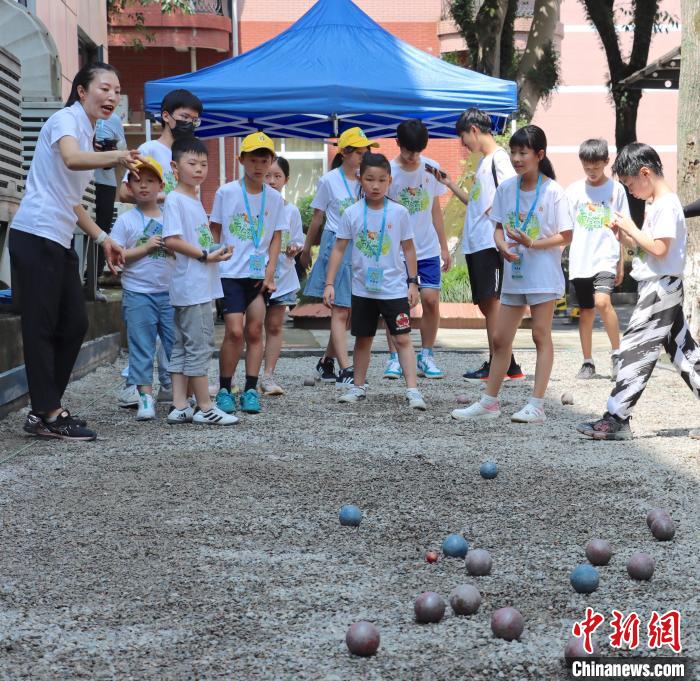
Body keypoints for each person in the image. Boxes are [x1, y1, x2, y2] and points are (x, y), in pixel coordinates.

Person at [9, 62, 138, 441]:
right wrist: (117, 157)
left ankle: (44, 409)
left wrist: (104, 239)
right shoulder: (66, 120)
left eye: (117, 90)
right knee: (41, 326)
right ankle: (48, 411)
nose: (112, 96)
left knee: (76, 323)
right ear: (82, 91)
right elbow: (71, 159)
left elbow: (73, 202)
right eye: (104, 88)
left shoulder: (87, 131)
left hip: (58, 237)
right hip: (35, 234)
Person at [577, 143, 700, 440]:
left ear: (645, 173)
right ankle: (617, 417)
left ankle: (617, 417)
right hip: (661, 283)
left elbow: (660, 248)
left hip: (660, 286)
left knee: (634, 348)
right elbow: (648, 250)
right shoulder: (658, 203)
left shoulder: (666, 204)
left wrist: (631, 228)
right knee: (684, 351)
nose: (630, 191)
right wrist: (626, 233)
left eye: (631, 184)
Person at [451, 125, 573, 424]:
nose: (517, 158)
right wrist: (502, 245)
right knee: (500, 337)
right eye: (514, 152)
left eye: (523, 153)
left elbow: (566, 235)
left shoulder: (553, 191)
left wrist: (534, 243)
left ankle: (537, 405)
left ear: (539, 155)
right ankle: (489, 402)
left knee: (540, 335)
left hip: (543, 274)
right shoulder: (507, 188)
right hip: (515, 273)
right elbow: (496, 226)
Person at [116, 88, 203, 408]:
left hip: (177, 247)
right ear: (166, 117)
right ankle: (134, 384)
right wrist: (164, 197)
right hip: (147, 240)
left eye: (195, 120)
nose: (189, 124)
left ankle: (172, 385)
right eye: (184, 118)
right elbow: (125, 193)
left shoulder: (190, 153)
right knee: (143, 323)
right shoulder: (151, 148)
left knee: (174, 323)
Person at [323, 152, 427, 410]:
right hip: (363, 290)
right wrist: (329, 283)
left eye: (382, 180)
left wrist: (413, 282)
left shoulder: (399, 212)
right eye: (370, 179)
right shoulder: (352, 213)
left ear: (390, 181)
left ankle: (413, 390)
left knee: (402, 338)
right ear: (360, 179)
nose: (376, 185)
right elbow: (338, 249)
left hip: (393, 289)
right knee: (363, 339)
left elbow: (409, 249)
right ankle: (358, 386)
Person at [435, 108, 524, 383]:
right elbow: (476, 204)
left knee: (493, 304)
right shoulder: (484, 163)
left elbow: (511, 197)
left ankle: (501, 362)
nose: (464, 146)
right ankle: (505, 362)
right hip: (478, 244)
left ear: (474, 130)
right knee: (488, 305)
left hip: (490, 243)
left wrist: (504, 239)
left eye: (464, 139)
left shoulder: (499, 160)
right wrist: (449, 183)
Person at [162, 137, 237, 426]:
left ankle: (180, 405)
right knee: (199, 346)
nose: (199, 169)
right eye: (191, 163)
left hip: (193, 284)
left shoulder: (191, 199)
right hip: (192, 286)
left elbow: (194, 240)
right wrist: (206, 255)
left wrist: (215, 251)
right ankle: (205, 406)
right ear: (175, 167)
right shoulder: (176, 199)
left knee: (182, 345)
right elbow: (172, 240)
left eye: (203, 164)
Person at [209, 132, 285, 414]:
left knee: (255, 330)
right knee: (234, 331)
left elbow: (276, 237)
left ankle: (251, 389)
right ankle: (225, 389)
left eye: (264, 160)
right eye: (252, 160)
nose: (258, 166)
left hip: (258, 276)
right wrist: (212, 262)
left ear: (271, 162)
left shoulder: (274, 198)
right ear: (241, 160)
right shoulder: (226, 192)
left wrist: (271, 271)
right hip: (229, 273)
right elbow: (214, 230)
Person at [300, 127, 377, 388]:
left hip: (360, 246)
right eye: (360, 151)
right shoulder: (329, 180)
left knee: (349, 308)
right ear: (344, 152)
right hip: (337, 244)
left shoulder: (367, 179)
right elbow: (318, 217)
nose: (365, 155)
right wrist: (306, 249)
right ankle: (346, 369)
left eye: (367, 151)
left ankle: (326, 362)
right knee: (341, 309)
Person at [383, 119, 450, 380]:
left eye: (418, 151)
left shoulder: (431, 168)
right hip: (396, 251)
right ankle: (394, 358)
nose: (413, 157)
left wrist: (444, 247)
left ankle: (427, 354)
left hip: (427, 248)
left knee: (431, 300)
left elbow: (435, 209)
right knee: (396, 305)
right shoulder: (388, 172)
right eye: (408, 151)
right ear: (398, 143)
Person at [110, 157, 174, 421]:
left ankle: (176, 393)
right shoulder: (126, 220)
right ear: (129, 186)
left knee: (175, 345)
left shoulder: (171, 217)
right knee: (141, 347)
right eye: (137, 181)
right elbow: (116, 256)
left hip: (171, 293)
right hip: (138, 293)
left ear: (161, 185)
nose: (144, 186)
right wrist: (146, 248)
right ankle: (144, 397)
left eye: (150, 181)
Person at [567, 138, 629, 380]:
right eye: (587, 168)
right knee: (586, 311)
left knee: (603, 302)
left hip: (606, 256)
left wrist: (620, 262)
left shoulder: (616, 190)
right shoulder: (573, 191)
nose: (591, 172)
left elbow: (622, 229)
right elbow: (567, 228)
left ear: (606, 162)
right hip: (580, 259)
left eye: (596, 167)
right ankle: (588, 361)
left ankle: (617, 354)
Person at [261, 156, 304, 395]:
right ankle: (241, 376)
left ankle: (268, 376)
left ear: (286, 180)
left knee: (275, 327)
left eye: (277, 176)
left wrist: (295, 248)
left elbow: (298, 239)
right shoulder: (254, 207)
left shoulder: (291, 211)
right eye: (267, 175)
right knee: (251, 327)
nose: (272, 181)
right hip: (255, 278)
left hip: (283, 277)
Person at [93, 111, 126, 296]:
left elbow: (123, 148)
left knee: (102, 230)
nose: (109, 96)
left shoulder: (113, 119)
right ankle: (74, 278)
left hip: (106, 181)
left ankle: (94, 280)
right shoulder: (77, 116)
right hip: (82, 180)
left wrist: (112, 147)